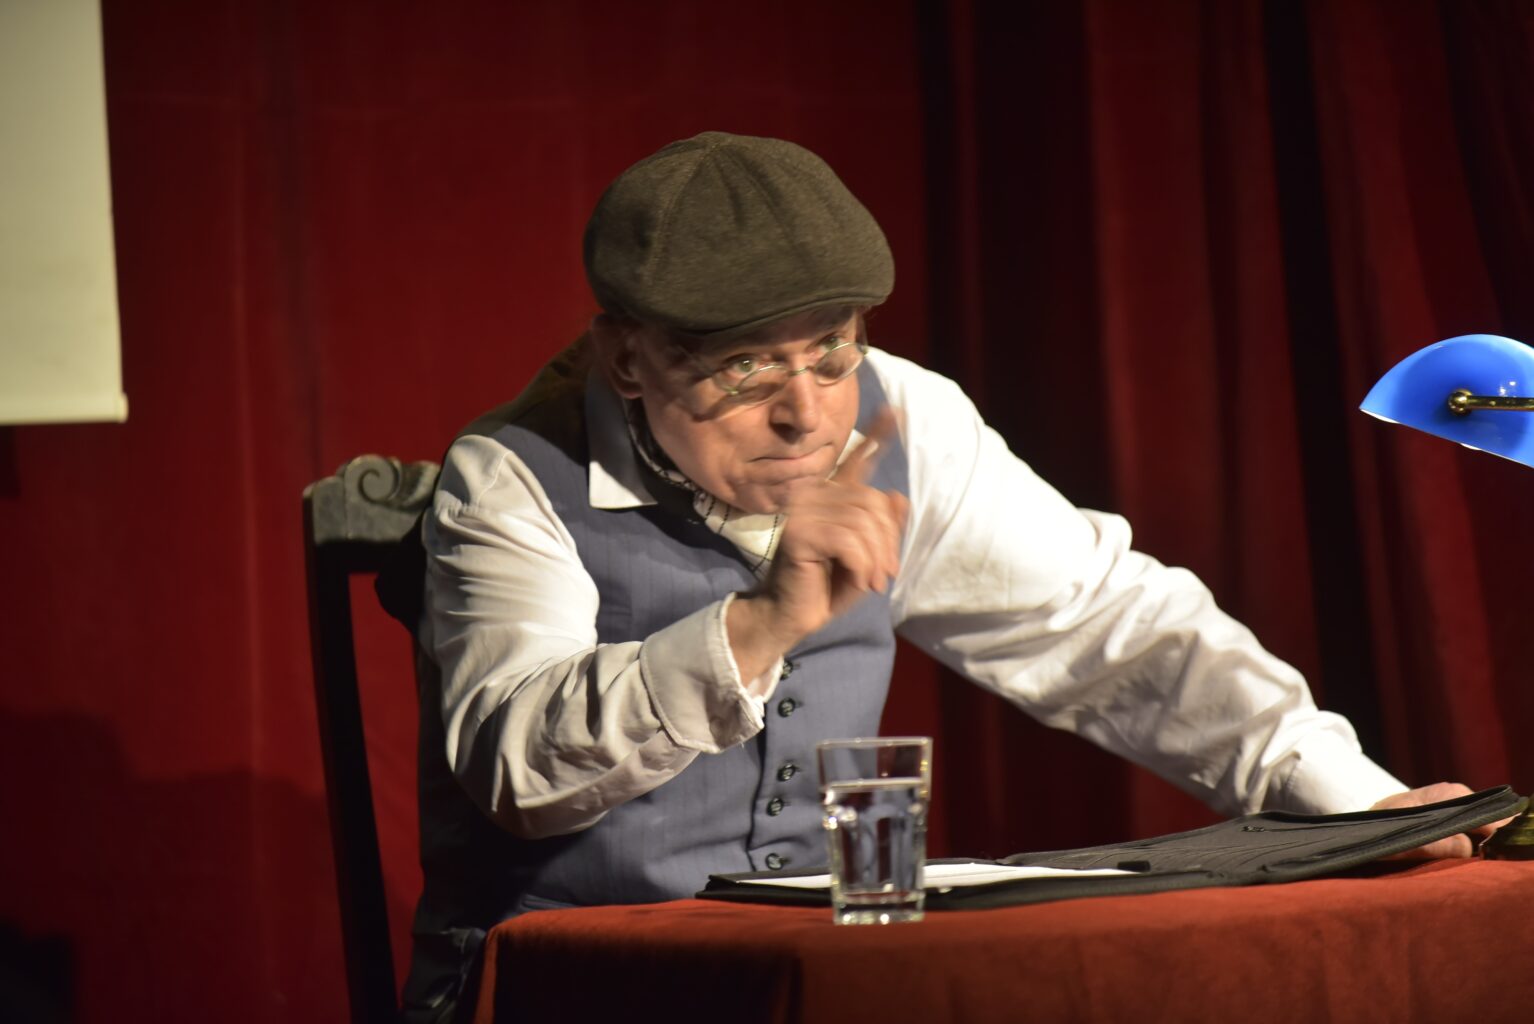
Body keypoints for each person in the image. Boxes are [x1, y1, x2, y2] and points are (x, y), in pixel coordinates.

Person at [400, 131, 1489, 1022]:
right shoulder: (513, 474)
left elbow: (1109, 629)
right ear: (628, 358)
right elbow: (517, 772)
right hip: (561, 986)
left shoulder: (900, 418)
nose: (806, 411)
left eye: (831, 349)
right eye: (746, 365)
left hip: (805, 975)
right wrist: (759, 622)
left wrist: (1361, 807)